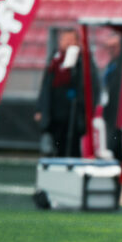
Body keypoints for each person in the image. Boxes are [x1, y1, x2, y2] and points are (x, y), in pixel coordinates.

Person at [34, 30, 88, 158]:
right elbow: (46, 85)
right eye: (65, 40)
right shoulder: (55, 60)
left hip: (74, 113)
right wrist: (40, 108)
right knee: (57, 145)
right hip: (56, 113)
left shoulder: (83, 61)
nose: (68, 43)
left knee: (73, 146)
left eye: (71, 40)